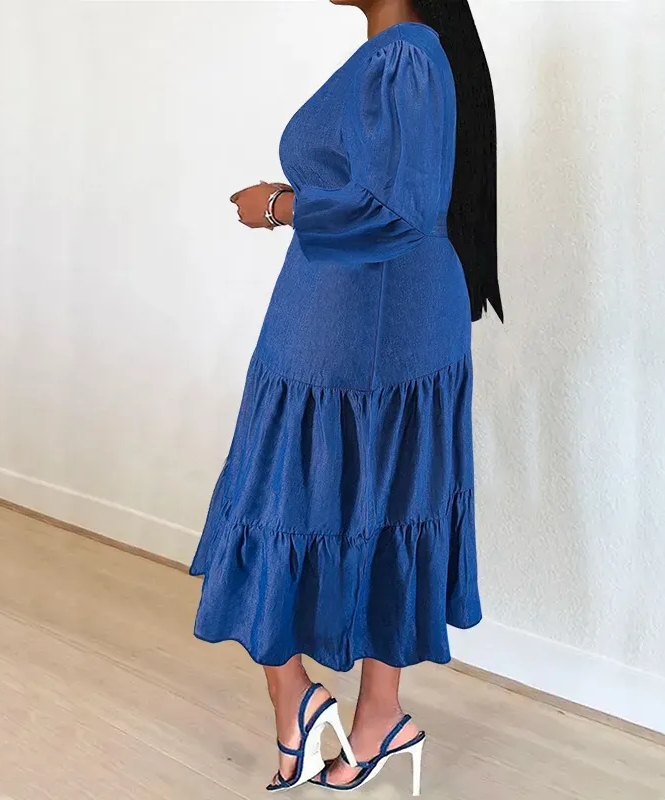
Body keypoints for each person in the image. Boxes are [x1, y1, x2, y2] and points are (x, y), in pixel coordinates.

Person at [190, 0, 503, 793]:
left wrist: (278, 206)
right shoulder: (403, 54)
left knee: (298, 493)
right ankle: (368, 714)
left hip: (365, 323)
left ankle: (312, 703)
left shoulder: (407, 55)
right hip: (360, 316)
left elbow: (393, 209)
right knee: (381, 494)